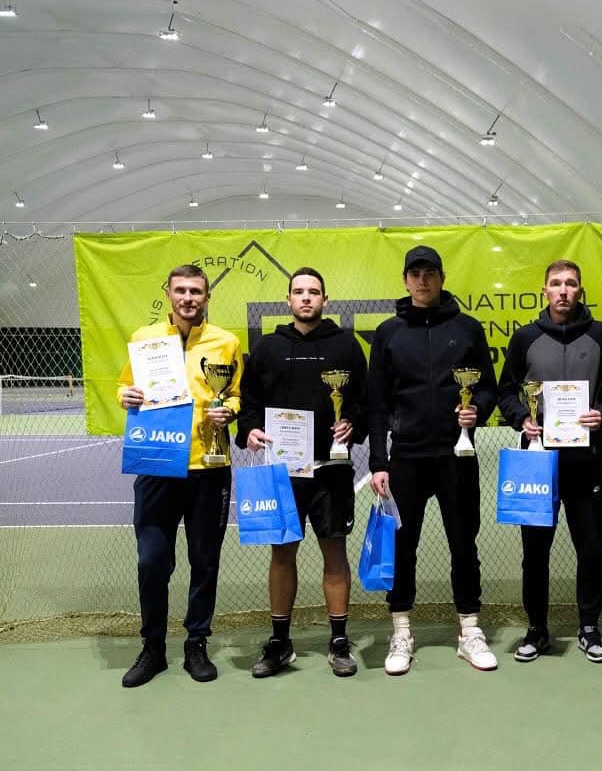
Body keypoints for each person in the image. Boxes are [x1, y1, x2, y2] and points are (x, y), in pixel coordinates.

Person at [367, 245, 499, 675]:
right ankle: (402, 630)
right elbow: (377, 404)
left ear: (441, 278)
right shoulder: (388, 333)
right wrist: (378, 461)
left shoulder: (467, 328)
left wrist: (475, 410)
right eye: (415, 273)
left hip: (457, 455)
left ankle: (469, 631)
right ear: (405, 280)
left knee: (464, 543)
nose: (422, 280)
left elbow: (488, 387)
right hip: (405, 458)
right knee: (404, 546)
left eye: (430, 273)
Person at [236, 268, 368, 679]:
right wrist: (250, 430)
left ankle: (339, 640)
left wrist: (353, 424)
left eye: (313, 292)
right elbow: (250, 401)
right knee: (282, 553)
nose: (306, 298)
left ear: (325, 300)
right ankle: (280, 641)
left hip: (331, 470)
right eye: (299, 292)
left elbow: (365, 400)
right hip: (283, 472)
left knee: (334, 551)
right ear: (287, 299)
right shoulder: (268, 347)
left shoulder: (347, 345)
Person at [117, 264, 243, 687]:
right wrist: (125, 394)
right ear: (168, 293)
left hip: (210, 467)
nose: (188, 298)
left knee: (204, 561)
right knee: (152, 561)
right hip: (157, 466)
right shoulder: (143, 339)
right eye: (181, 290)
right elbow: (126, 388)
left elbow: (238, 393)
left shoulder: (226, 342)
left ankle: (196, 644)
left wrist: (233, 411)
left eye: (196, 291)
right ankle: (153, 648)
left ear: (207, 297)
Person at [497, 259, 602, 663]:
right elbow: (504, 392)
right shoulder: (525, 338)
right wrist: (522, 418)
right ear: (545, 292)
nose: (564, 291)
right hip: (538, 464)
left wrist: (601, 413)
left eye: (571, 283)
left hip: (586, 462)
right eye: (556, 284)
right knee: (535, 552)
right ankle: (537, 630)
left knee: (590, 548)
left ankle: (589, 627)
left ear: (580, 290)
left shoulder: (601, 335)